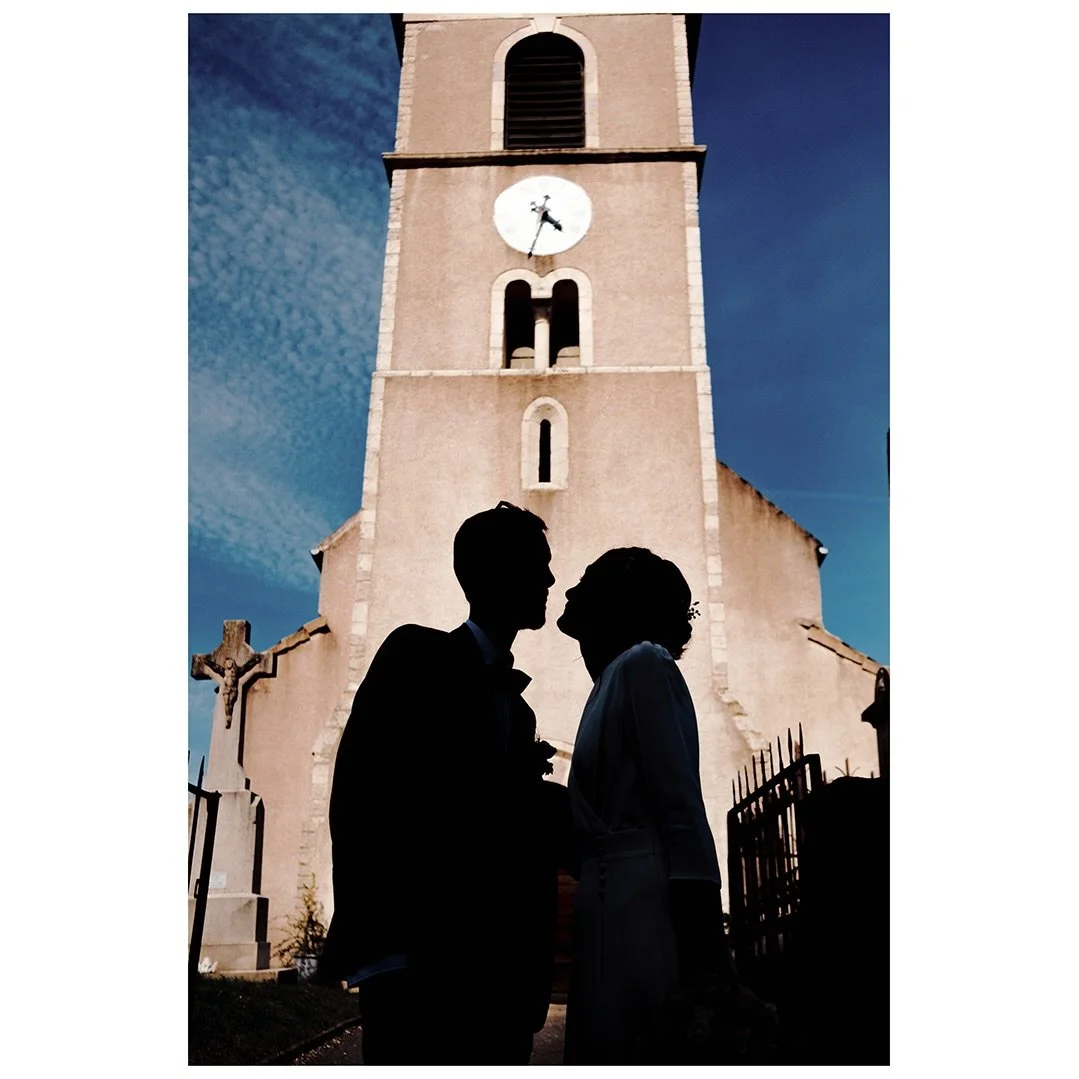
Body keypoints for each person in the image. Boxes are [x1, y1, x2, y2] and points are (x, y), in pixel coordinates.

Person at [317, 501, 570, 1064]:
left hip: (500, 987)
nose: (551, 578)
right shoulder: (416, 656)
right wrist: (384, 956)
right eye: (539, 563)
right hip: (418, 976)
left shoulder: (520, 712)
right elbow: (360, 797)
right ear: (493, 572)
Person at [556, 547, 772, 1063]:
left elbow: (680, 807)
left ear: (617, 602)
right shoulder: (610, 681)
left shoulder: (644, 664)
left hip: (642, 905)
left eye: (586, 579)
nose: (568, 591)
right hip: (605, 907)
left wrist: (706, 949)